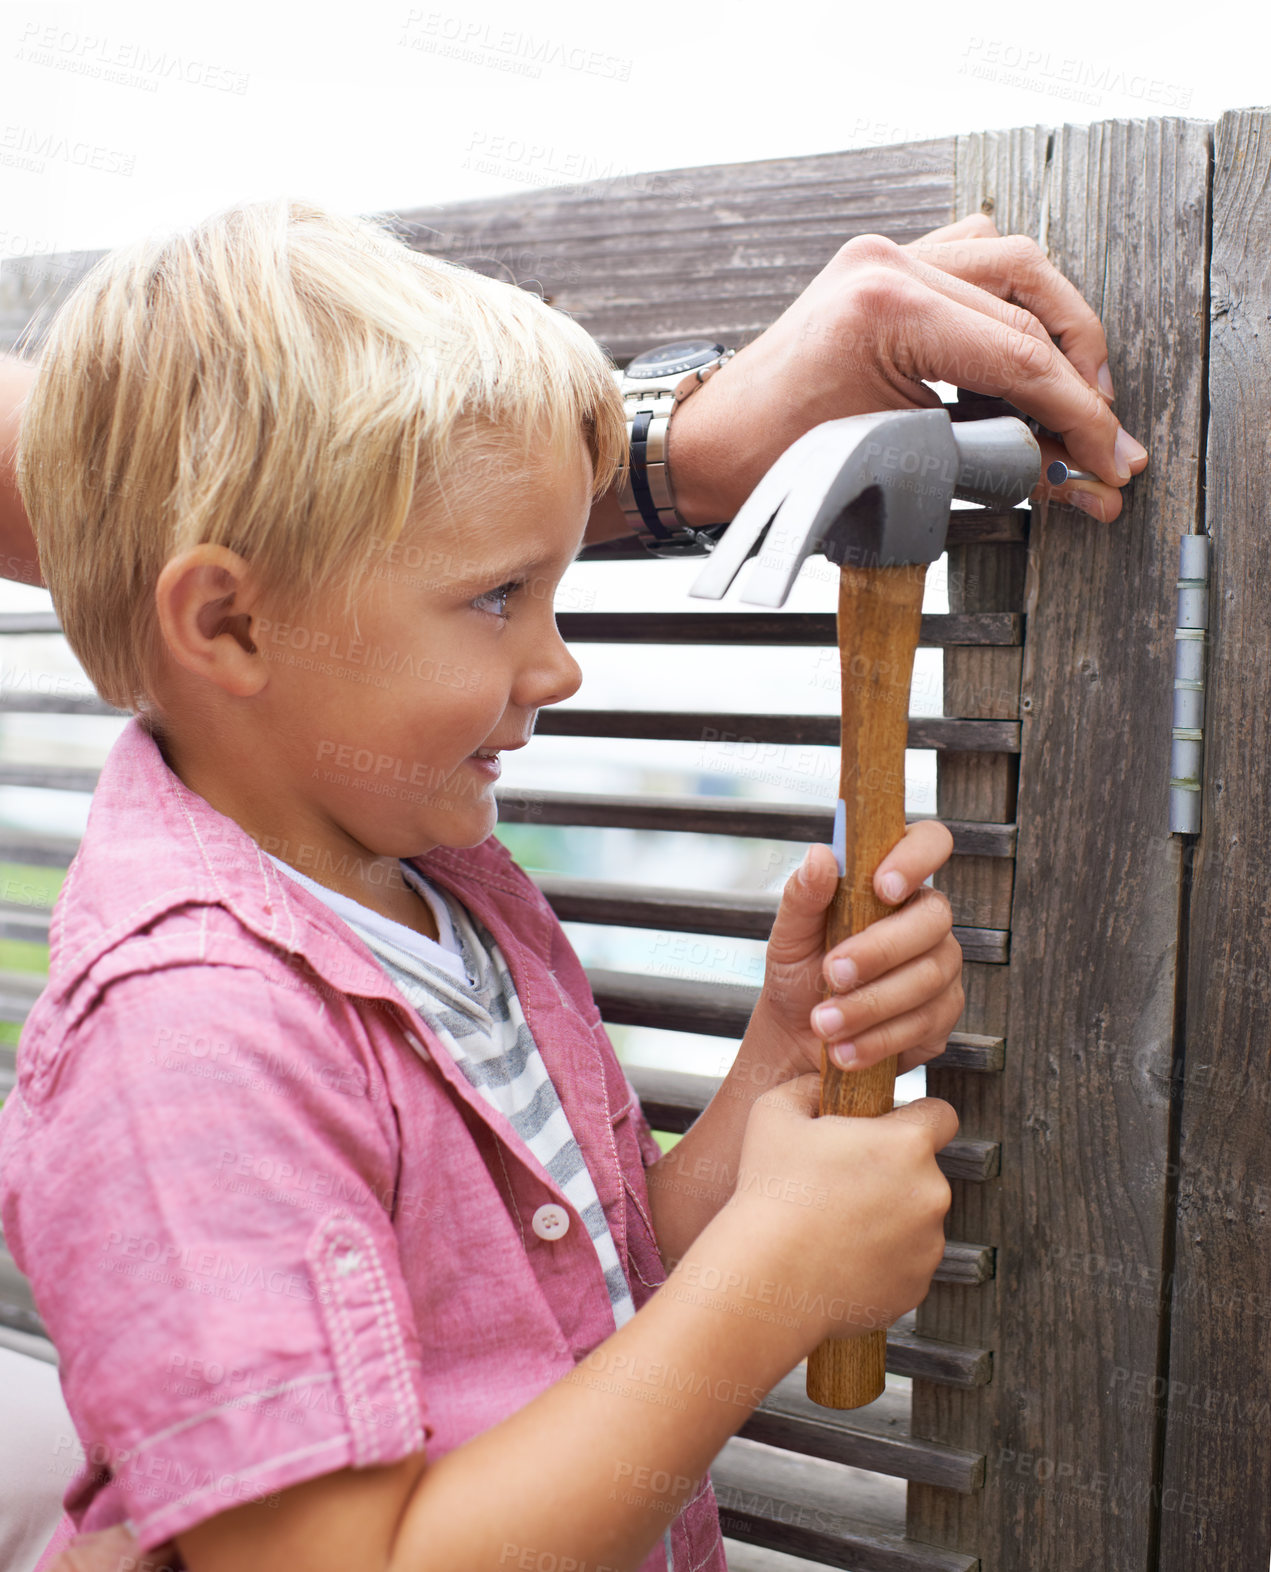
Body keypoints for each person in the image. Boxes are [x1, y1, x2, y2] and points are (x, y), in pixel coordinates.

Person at [0, 200, 1145, 1572]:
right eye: (500, 598)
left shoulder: (443, 899)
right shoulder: (185, 1046)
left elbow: (576, 1297)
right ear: (231, 623)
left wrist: (775, 1075)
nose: (559, 670)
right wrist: (770, 1284)